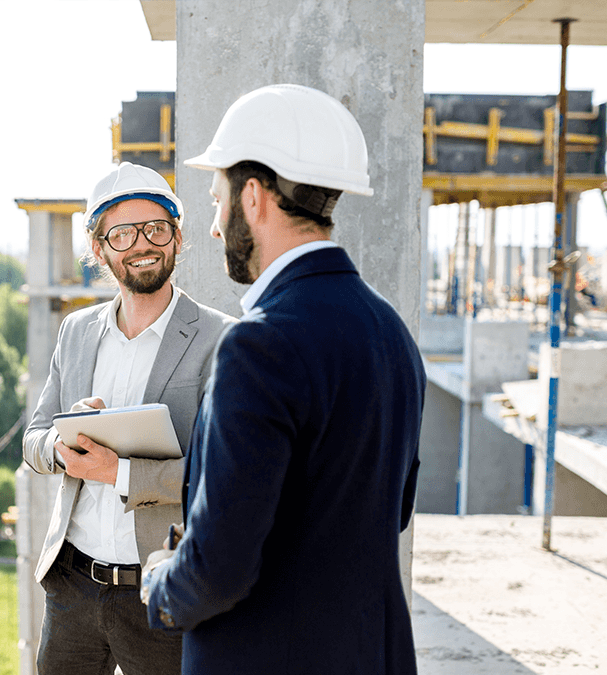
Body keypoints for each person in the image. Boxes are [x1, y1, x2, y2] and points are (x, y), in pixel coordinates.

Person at [141, 84, 426, 675]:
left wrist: (161, 585)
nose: (215, 227)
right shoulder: (390, 332)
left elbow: (219, 571)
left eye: (216, 200)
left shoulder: (257, 346)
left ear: (253, 197)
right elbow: (384, 511)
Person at [22, 161, 234, 675]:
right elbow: (32, 441)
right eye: (122, 234)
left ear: (178, 237)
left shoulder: (222, 340)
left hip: (159, 588)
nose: (142, 243)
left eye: (156, 228)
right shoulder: (76, 332)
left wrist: (115, 472)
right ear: (100, 250)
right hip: (72, 586)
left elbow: (224, 483)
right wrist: (60, 446)